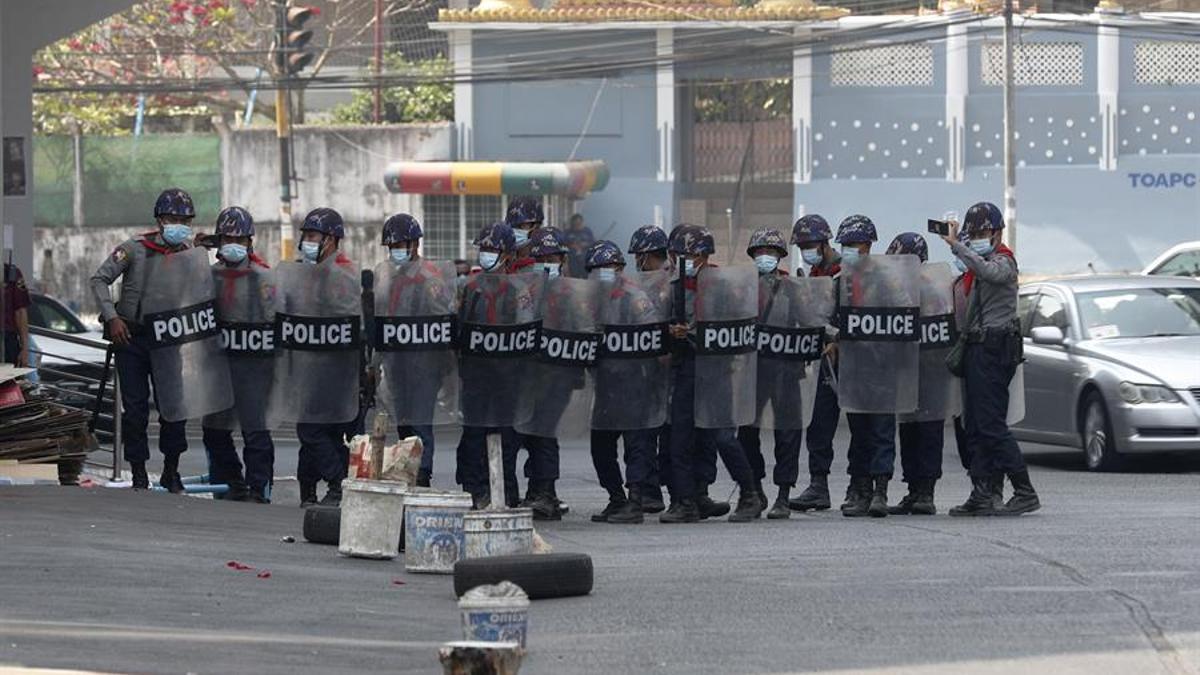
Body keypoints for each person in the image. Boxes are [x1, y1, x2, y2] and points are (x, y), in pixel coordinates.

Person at [89, 188, 197, 493]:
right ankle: (137, 471)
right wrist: (112, 317)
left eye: (185, 219)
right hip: (132, 338)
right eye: (174, 218)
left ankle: (171, 470)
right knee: (135, 409)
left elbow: (201, 292)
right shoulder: (134, 248)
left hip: (168, 339)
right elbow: (99, 279)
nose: (179, 224)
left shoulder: (188, 254)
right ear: (160, 219)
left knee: (173, 408)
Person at [660, 225, 765, 524]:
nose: (685, 260)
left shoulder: (722, 285)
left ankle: (750, 493)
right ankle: (685, 501)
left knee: (722, 436)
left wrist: (691, 332)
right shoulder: (670, 286)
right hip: (684, 367)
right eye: (679, 255)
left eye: (691, 255)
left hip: (716, 369)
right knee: (680, 437)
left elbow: (736, 326)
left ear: (705, 256)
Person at [942, 202, 1041, 516]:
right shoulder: (979, 266)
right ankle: (983, 492)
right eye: (974, 234)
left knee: (991, 425)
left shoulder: (1004, 262)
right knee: (976, 426)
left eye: (983, 233)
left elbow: (988, 271)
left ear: (998, 232)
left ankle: (1024, 491)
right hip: (978, 349)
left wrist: (957, 245)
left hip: (994, 349)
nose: (978, 238)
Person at [587, 240, 666, 524]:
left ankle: (635, 499)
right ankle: (615, 498)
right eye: (596, 269)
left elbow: (653, 330)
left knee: (637, 445)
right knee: (601, 446)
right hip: (605, 384)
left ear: (620, 268)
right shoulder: (591, 299)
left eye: (608, 268)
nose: (602, 274)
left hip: (635, 381)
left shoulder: (635, 296)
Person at [830, 215, 903, 519]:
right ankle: (859, 488)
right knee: (859, 432)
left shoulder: (887, 281)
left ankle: (881, 490)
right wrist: (834, 339)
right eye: (844, 244)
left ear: (868, 245)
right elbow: (830, 320)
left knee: (882, 430)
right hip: (854, 367)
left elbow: (902, 319)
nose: (849, 249)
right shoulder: (839, 282)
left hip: (882, 366)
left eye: (854, 244)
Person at [202, 206, 275, 503]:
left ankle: (259, 488)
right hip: (218, 366)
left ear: (249, 242)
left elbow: (277, 321)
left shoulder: (264, 279)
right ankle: (231, 482)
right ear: (219, 241)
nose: (233, 244)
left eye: (239, 239)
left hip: (254, 367)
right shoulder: (207, 277)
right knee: (214, 431)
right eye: (227, 238)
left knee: (255, 430)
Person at [292, 207, 359, 507]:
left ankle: (337, 483)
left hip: (335, 367)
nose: (306, 241)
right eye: (305, 235)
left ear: (330, 239)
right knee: (311, 428)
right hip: (309, 364)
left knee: (316, 430)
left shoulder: (344, 274)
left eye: (312, 235)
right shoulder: (305, 272)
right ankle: (309, 490)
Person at [736, 228, 803, 519]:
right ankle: (754, 489)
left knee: (787, 431)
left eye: (771, 252)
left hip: (786, 369)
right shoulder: (742, 288)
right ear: (753, 256)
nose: (766, 257)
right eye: (760, 252)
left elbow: (809, 320)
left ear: (780, 256)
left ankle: (784, 495)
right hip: (753, 370)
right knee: (746, 432)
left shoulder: (793, 287)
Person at [883, 232, 947, 515]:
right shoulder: (897, 291)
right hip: (906, 370)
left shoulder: (932, 289)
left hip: (931, 370)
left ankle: (927, 492)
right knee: (908, 428)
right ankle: (912, 489)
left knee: (929, 429)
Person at [379, 213, 439, 487]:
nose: (396, 251)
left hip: (424, 362)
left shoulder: (430, 278)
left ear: (415, 244)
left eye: (401, 245)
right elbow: (381, 321)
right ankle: (408, 470)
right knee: (404, 423)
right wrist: (374, 363)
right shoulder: (387, 277)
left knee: (420, 424)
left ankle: (422, 475)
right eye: (392, 247)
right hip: (396, 362)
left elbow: (442, 319)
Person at [787, 215, 842, 512]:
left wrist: (840, 340)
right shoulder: (814, 272)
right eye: (803, 245)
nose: (807, 249)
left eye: (810, 244)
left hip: (853, 356)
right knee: (819, 423)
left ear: (824, 242)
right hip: (824, 357)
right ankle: (818, 486)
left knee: (864, 424)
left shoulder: (845, 271)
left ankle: (866, 487)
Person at [2, 261, 31, 367]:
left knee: (8, 381)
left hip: (7, 340)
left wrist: (25, 348)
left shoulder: (12, 273)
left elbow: (21, 311)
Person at [505, 196, 543, 273]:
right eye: (512, 226)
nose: (514, 230)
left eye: (520, 225)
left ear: (536, 226)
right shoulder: (504, 257)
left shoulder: (546, 257)